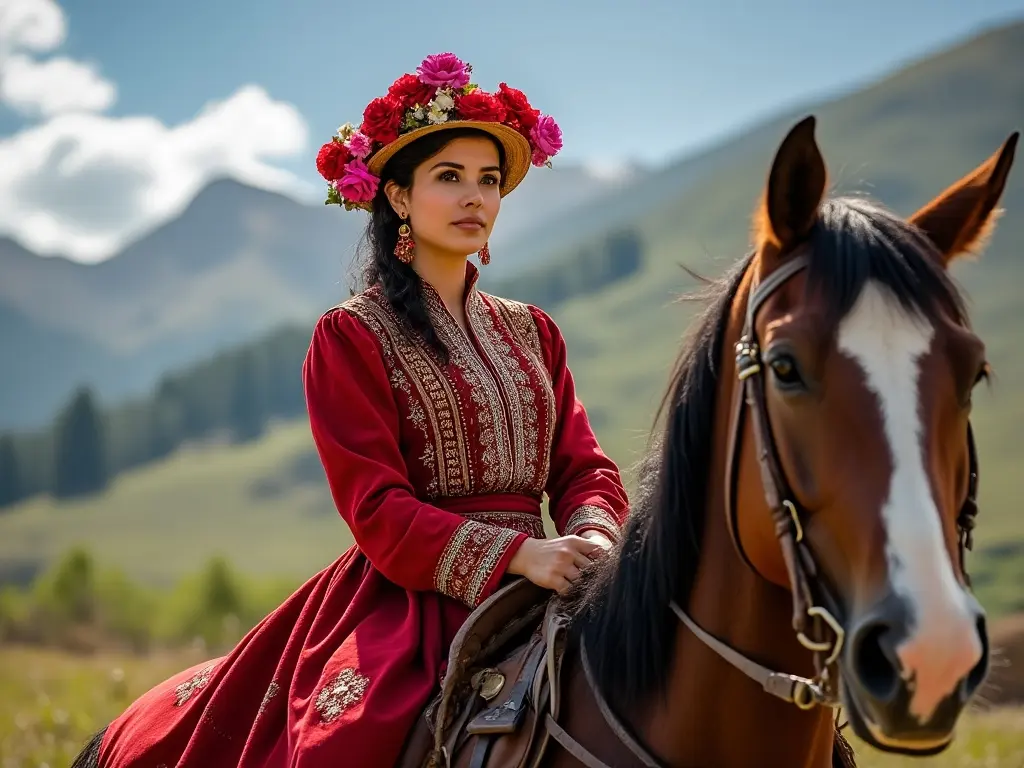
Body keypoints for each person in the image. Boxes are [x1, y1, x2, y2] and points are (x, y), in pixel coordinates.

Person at [93, 52, 629, 767]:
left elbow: (583, 466)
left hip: (555, 575)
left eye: (489, 180)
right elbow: (375, 506)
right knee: (345, 745)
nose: (476, 197)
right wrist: (518, 554)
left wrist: (592, 544)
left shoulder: (534, 330)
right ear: (399, 198)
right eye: (450, 177)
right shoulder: (350, 334)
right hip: (410, 602)